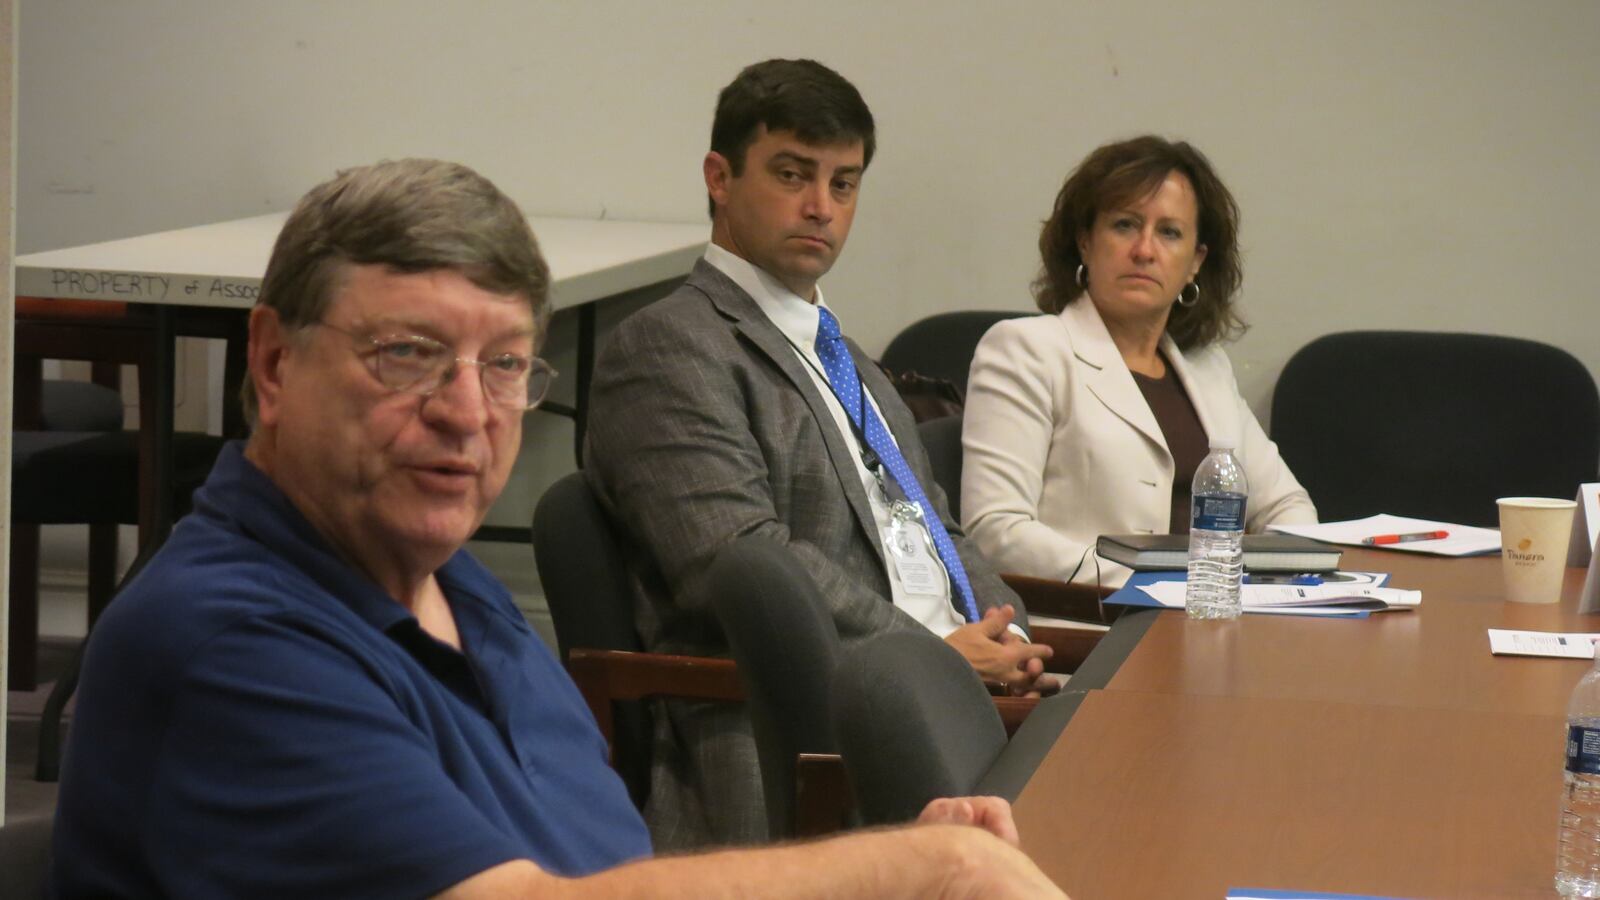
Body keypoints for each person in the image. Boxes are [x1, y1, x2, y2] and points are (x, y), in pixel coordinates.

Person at [49, 158, 1067, 900]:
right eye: (407, 354)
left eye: (503, 366)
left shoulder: (456, 593)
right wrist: (917, 872)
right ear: (271, 363)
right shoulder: (228, 638)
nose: (466, 411)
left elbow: (607, 879)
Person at [583, 58, 1055, 850]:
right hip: (804, 729)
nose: (820, 207)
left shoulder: (846, 356)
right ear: (720, 178)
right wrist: (931, 654)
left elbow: (937, 525)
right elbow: (736, 563)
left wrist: (1004, 627)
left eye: (843, 184)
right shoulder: (670, 345)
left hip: (951, 697)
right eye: (793, 174)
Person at [961, 135, 1317, 588]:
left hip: (1213, 618)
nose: (1145, 250)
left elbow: (1289, 507)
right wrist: (1162, 581)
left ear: (1195, 262)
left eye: (1169, 232)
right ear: (1086, 241)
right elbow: (996, 533)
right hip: (1089, 627)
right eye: (1125, 225)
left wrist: (1262, 582)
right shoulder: (1025, 350)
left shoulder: (1208, 369)